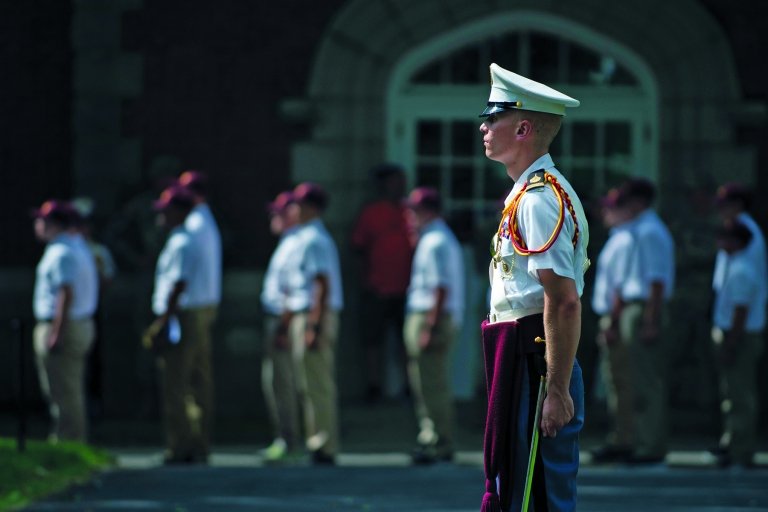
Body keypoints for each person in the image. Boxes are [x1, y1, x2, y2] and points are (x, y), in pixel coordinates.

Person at [477, 63, 588, 511]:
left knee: (537, 494)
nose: (484, 127)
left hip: (535, 358)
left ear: (523, 127)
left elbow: (562, 302)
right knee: (521, 486)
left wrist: (557, 388)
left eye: (494, 118)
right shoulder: (528, 193)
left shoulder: (541, 199)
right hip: (521, 353)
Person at [144, 185, 211, 464]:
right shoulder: (181, 240)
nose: (161, 215)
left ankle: (181, 445)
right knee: (189, 381)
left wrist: (164, 320)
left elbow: (178, 284)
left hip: (181, 315)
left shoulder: (183, 243)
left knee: (177, 382)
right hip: (184, 314)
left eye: (167, 210)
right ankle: (193, 442)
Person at [610, 177, 675, 464]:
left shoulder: (650, 231)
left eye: (630, 200)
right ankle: (639, 440)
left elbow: (657, 282)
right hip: (634, 308)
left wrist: (651, 320)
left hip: (644, 308)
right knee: (635, 379)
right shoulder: (640, 229)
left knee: (647, 380)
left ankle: (651, 445)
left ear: (640, 201)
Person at [402, 187, 465, 464]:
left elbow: (441, 287)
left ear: (428, 211)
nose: (409, 215)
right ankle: (433, 437)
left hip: (431, 316)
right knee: (426, 382)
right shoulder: (434, 238)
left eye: (414, 210)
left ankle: (437, 440)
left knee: (432, 383)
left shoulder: (436, 241)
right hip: (430, 315)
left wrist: (429, 326)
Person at [285, 182, 343, 464]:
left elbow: (321, 283)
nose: (292, 209)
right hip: (310, 314)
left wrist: (313, 325)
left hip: (314, 314)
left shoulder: (313, 239)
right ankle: (317, 440)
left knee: (317, 383)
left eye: (296, 204)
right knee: (310, 382)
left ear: (308, 207)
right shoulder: (309, 236)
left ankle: (323, 443)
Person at [31, 200, 99, 442]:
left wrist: (56, 332)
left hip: (65, 326)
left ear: (55, 224)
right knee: (67, 388)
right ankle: (68, 439)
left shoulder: (62, 252)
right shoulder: (77, 246)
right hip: (78, 324)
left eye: (41, 221)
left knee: (63, 391)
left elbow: (65, 293)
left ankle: (69, 441)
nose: (37, 225)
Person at [351, 163, 413, 403]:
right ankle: (374, 385)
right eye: (395, 181)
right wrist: (366, 282)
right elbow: (358, 249)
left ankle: (409, 385)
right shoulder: (371, 213)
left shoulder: (409, 210)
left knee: (404, 341)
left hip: (405, 289)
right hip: (377, 288)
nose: (399, 186)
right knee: (373, 340)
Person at [710, 221, 766, 469]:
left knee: (741, 395)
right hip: (734, 335)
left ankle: (742, 450)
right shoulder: (734, 265)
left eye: (724, 237)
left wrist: (731, 343)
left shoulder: (742, 269)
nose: (719, 243)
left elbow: (740, 311)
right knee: (732, 393)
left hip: (739, 337)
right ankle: (733, 443)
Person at [589, 189, 637, 463]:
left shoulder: (623, 239)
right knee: (615, 380)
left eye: (611, 209)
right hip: (613, 315)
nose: (605, 213)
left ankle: (624, 437)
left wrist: (613, 323)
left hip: (616, 316)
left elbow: (619, 285)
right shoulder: (619, 237)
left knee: (621, 380)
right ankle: (621, 435)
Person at [259, 191, 303, 463]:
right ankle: (285, 437)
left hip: (282, 319)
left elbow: (292, 291)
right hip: (277, 317)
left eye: (280, 212)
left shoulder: (297, 243)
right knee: (275, 381)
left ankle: (288, 439)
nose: (274, 217)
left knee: (282, 382)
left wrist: (283, 327)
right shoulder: (287, 242)